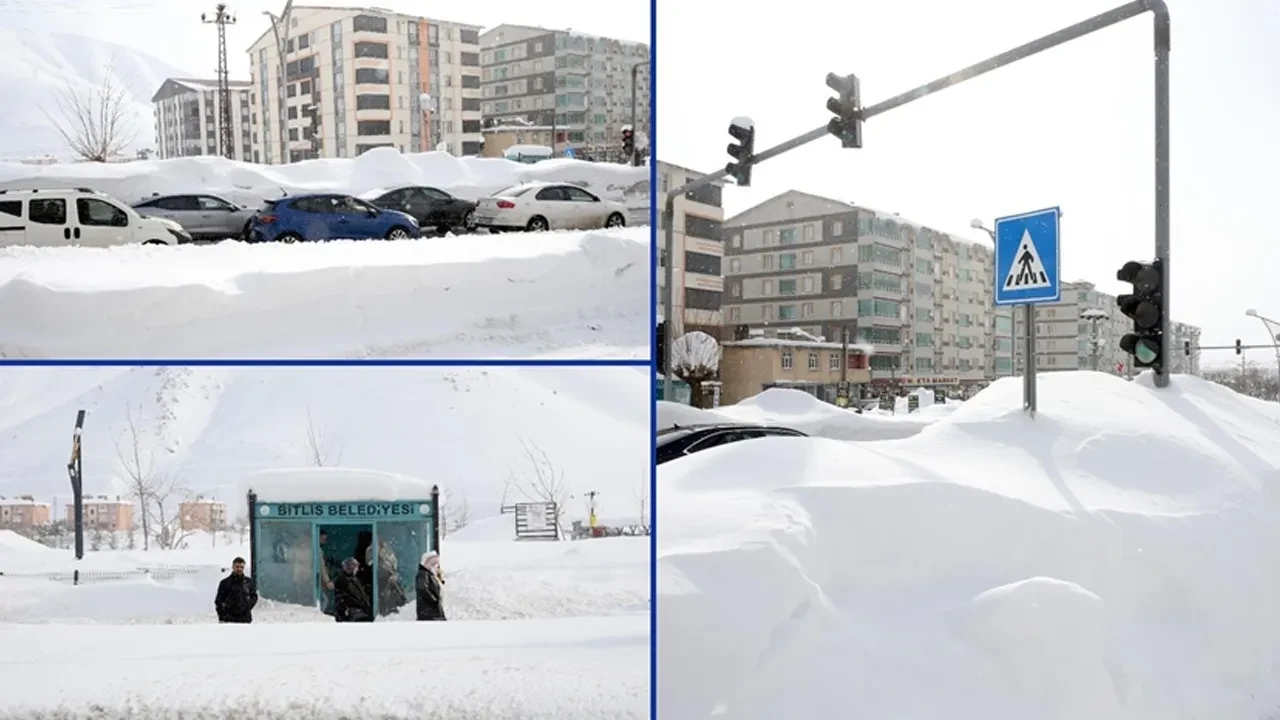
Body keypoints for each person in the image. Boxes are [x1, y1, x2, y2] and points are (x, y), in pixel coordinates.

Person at [214, 556, 258, 624]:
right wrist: (222, 616)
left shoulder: (248, 582)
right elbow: (218, 601)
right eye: (237, 567)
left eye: (241, 567)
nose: (239, 569)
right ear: (233, 567)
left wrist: (248, 606)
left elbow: (254, 597)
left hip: (245, 619)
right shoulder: (225, 583)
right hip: (229, 620)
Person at [333, 557, 374, 623]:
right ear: (351, 568)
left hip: (357, 611)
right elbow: (357, 596)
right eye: (356, 567)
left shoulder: (352, 579)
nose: (357, 569)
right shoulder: (345, 581)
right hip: (353, 613)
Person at [415, 551, 446, 621]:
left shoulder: (430, 575)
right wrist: (434, 601)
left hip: (432, 613)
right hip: (428, 614)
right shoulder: (423, 574)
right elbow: (423, 588)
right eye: (434, 563)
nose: (436, 566)